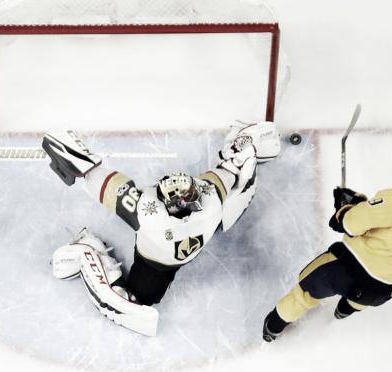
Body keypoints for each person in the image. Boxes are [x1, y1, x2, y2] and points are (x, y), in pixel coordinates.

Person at [41, 123, 281, 336]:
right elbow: (109, 185)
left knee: (227, 212)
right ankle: (89, 250)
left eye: (191, 192)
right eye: (188, 196)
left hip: (173, 253)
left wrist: (243, 153)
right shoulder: (148, 211)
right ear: (175, 204)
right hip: (155, 265)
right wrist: (84, 165)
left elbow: (228, 174)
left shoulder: (206, 192)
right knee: (142, 299)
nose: (195, 193)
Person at [262, 155, 392, 342]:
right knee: (357, 298)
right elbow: (389, 228)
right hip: (382, 292)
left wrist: (344, 211)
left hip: (350, 274)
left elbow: (352, 225)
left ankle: (271, 328)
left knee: (305, 288)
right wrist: (359, 203)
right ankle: (341, 314)